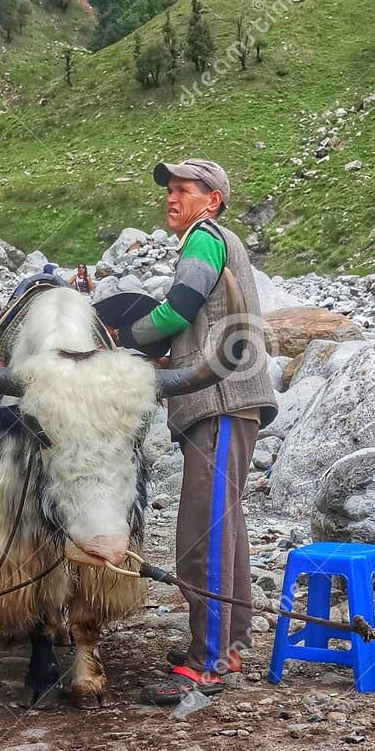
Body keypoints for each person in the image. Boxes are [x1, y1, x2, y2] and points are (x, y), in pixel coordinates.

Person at [126, 158, 276, 706]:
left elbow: (177, 309)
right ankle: (228, 645)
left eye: (184, 190)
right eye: (169, 189)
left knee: (201, 536)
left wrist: (123, 334)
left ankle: (206, 664)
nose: (172, 198)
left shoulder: (205, 239)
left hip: (218, 402)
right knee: (225, 528)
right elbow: (200, 320)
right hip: (229, 404)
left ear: (212, 200)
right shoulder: (217, 242)